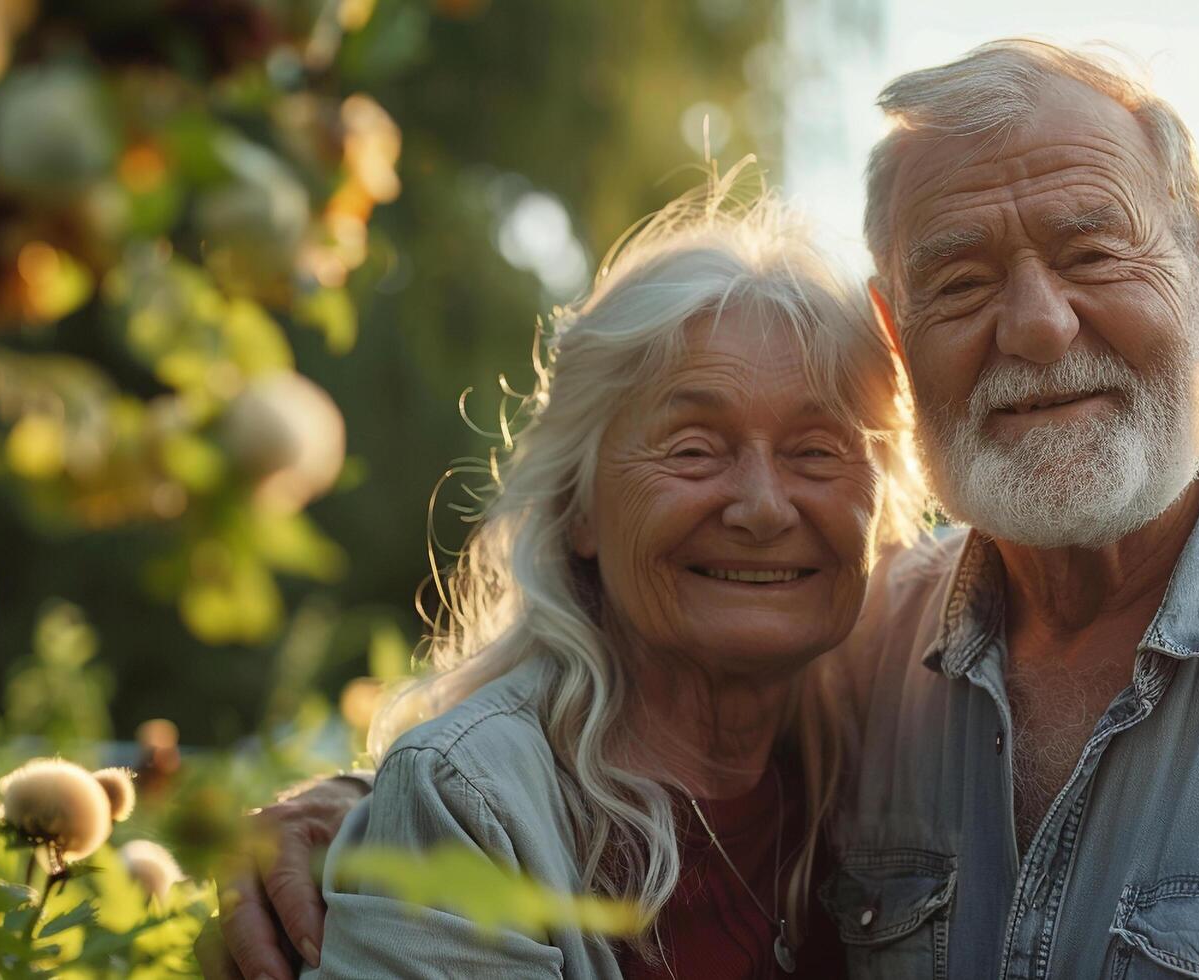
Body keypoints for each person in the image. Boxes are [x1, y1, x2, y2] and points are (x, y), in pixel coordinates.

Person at [206, 38, 1199, 980]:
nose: (1039, 328)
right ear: (897, 330)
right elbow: (620, 734)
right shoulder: (866, 655)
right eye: (961, 278)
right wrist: (359, 814)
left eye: (1091, 248)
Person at [204, 165, 926, 978]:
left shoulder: (909, 743)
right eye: (693, 450)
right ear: (579, 508)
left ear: (881, 506)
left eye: (816, 452)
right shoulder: (469, 808)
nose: (762, 507)